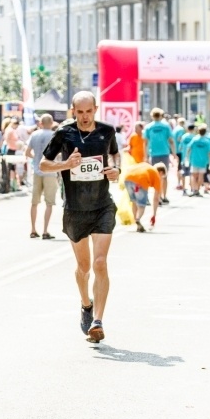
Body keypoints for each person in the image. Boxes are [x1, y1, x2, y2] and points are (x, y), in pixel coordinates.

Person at [40, 91, 120, 343]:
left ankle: (98, 320)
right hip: (75, 209)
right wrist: (66, 165)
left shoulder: (107, 131)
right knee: (84, 268)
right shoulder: (64, 133)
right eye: (80, 112)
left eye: (89, 111)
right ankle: (86, 303)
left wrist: (117, 169)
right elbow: (43, 164)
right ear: (73, 111)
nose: (85, 117)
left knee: (100, 263)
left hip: (102, 207)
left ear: (95, 109)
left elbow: (116, 155)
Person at [26, 114, 58, 239]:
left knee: (34, 202)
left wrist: (36, 160)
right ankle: (45, 230)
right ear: (51, 123)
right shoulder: (54, 135)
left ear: (41, 123)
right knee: (49, 203)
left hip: (37, 171)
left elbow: (27, 152)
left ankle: (33, 229)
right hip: (50, 171)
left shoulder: (34, 135)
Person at [143, 107, 175, 203]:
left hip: (154, 153)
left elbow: (145, 142)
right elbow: (171, 141)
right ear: (161, 115)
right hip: (164, 153)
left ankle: (157, 196)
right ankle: (163, 196)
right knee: (164, 176)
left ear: (152, 116)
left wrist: (145, 155)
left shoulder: (148, 127)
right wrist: (174, 153)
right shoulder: (166, 126)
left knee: (155, 176)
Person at [122, 161, 162, 232]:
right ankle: (138, 218)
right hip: (141, 181)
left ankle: (137, 223)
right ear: (161, 172)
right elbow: (156, 198)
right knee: (141, 205)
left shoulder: (146, 166)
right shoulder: (156, 174)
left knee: (134, 202)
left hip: (127, 178)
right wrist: (154, 215)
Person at [184, 124, 210, 196]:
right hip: (203, 161)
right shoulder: (206, 141)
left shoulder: (194, 139)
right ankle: (198, 189)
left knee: (193, 175)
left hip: (194, 160)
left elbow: (188, 148)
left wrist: (187, 157)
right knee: (201, 176)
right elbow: (209, 152)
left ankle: (194, 189)